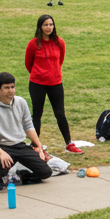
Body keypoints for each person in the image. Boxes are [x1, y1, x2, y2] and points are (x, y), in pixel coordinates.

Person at [0, 72, 53, 192]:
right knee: (1, 164)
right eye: (6, 88)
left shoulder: (21, 102)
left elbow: (28, 125)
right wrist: (1, 153)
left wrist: (39, 145)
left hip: (20, 145)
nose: (11, 91)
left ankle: (19, 175)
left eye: (12, 87)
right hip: (1, 147)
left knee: (46, 173)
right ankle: (0, 176)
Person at [24, 15, 80, 154]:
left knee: (60, 114)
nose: (48, 27)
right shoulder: (33, 44)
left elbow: (60, 61)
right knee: (37, 114)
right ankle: (35, 145)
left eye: (50, 24)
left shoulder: (59, 42)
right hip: (37, 83)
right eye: (45, 25)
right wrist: (40, 74)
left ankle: (69, 143)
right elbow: (28, 63)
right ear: (40, 27)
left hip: (55, 83)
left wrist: (52, 73)